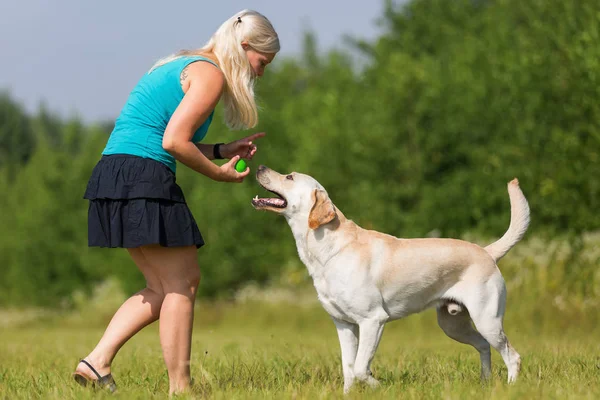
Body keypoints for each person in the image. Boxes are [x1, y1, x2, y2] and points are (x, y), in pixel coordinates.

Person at [73, 9, 280, 395]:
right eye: (262, 62)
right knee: (183, 283)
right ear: (246, 46)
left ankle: (96, 362)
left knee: (163, 285)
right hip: (143, 175)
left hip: (115, 172)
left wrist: (220, 148)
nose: (261, 72)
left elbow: (165, 133)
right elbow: (173, 143)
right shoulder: (210, 74)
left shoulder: (183, 63)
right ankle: (180, 388)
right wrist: (218, 173)